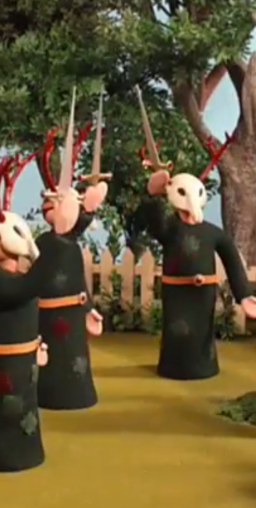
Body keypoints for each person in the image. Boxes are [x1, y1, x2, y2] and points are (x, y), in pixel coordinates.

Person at [135, 86, 256, 380]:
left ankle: (204, 366)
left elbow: (232, 260)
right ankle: (173, 367)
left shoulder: (212, 233)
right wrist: (153, 193)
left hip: (204, 293)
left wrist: (244, 295)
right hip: (176, 293)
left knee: (203, 331)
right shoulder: (170, 229)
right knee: (176, 331)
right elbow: (154, 221)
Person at [35, 91, 106, 410]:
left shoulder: (72, 246)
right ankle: (49, 394)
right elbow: (32, 280)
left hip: (74, 315)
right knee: (52, 360)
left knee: (76, 359)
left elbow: (79, 281)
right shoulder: (44, 244)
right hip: (47, 316)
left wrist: (88, 307)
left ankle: (79, 393)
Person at [0, 153, 56, 471]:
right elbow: (24, 289)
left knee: (23, 411)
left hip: (23, 360)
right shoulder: (10, 283)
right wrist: (50, 246)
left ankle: (24, 451)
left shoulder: (20, 278)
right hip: (7, 363)